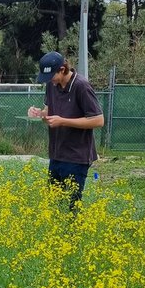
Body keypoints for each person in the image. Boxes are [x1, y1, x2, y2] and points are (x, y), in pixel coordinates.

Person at [27, 50, 104, 207]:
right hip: (56, 154)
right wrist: (39, 114)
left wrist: (63, 121)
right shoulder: (52, 85)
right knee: (54, 205)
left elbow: (98, 120)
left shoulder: (81, 86)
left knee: (72, 206)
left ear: (62, 69)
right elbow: (48, 114)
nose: (50, 81)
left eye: (51, 76)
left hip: (77, 156)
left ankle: (73, 231)